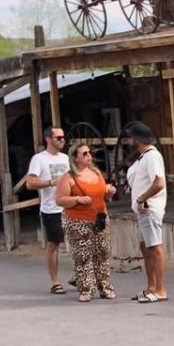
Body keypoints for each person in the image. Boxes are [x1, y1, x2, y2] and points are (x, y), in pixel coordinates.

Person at [54, 143, 118, 303]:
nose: (89, 155)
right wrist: (77, 199)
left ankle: (105, 287)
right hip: (77, 221)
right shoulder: (69, 178)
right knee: (83, 255)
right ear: (75, 158)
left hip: (99, 218)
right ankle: (86, 289)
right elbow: (60, 200)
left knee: (102, 253)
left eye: (89, 152)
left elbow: (102, 196)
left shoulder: (96, 173)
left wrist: (109, 192)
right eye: (84, 153)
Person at [125, 122, 169, 303]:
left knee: (155, 247)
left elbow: (159, 183)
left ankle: (161, 290)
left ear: (136, 139)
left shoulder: (152, 156)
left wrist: (142, 198)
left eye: (130, 137)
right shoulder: (143, 158)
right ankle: (151, 286)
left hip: (149, 208)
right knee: (146, 248)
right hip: (142, 210)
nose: (129, 140)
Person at [25, 125, 70, 294]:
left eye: (63, 137)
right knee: (54, 244)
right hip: (51, 208)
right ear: (48, 139)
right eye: (58, 138)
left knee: (79, 241)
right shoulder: (39, 159)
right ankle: (55, 281)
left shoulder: (65, 158)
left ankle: (78, 275)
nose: (62, 140)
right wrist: (51, 182)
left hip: (69, 206)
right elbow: (30, 183)